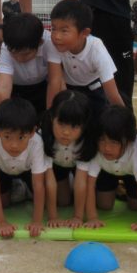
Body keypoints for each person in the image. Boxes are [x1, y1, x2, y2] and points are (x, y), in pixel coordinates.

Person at [0, 97, 50, 239]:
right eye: (7, 137)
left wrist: (37, 221)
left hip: (27, 170)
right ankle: (17, 186)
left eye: (21, 138)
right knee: (3, 203)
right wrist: (1, 222)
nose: (14, 145)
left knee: (46, 201)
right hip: (3, 170)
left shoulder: (36, 142)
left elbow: (38, 184)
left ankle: (23, 186)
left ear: (32, 132)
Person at [45, 0, 124, 120]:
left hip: (94, 89)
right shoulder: (55, 45)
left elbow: (112, 94)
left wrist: (124, 122)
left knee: (97, 121)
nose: (56, 36)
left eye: (64, 30)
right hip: (68, 89)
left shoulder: (96, 49)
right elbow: (54, 81)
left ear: (84, 33)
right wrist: (50, 116)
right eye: (53, 28)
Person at [78, 105, 137, 232]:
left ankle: (125, 189)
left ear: (128, 140)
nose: (106, 148)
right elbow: (89, 186)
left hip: (131, 174)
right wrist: (92, 218)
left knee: (135, 206)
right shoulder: (97, 150)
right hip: (107, 171)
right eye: (102, 140)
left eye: (114, 142)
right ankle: (117, 189)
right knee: (104, 205)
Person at [40, 90, 96, 227]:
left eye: (74, 126)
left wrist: (77, 216)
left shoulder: (88, 140)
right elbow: (49, 179)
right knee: (63, 201)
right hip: (56, 166)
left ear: (84, 125)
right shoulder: (44, 136)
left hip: (79, 168)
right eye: (61, 124)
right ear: (52, 117)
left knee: (103, 203)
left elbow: (82, 180)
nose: (66, 132)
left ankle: (71, 181)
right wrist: (53, 217)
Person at [0, 12, 51, 115]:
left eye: (25, 54)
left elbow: (55, 80)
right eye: (13, 53)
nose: (19, 59)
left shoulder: (49, 43)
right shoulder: (7, 46)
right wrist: (3, 116)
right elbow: (4, 87)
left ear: (40, 43)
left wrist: (50, 113)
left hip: (44, 88)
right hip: (16, 91)